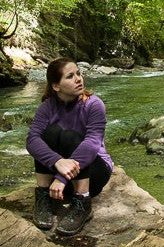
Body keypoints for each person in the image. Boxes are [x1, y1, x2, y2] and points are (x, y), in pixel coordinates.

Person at [26, 58, 114, 236]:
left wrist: (61, 178)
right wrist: (56, 161)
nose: (79, 79)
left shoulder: (94, 104)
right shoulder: (47, 107)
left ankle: (82, 201)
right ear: (56, 86)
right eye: (70, 76)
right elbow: (31, 140)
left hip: (94, 173)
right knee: (49, 133)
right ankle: (43, 195)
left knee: (69, 136)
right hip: (60, 178)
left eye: (79, 74)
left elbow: (91, 144)